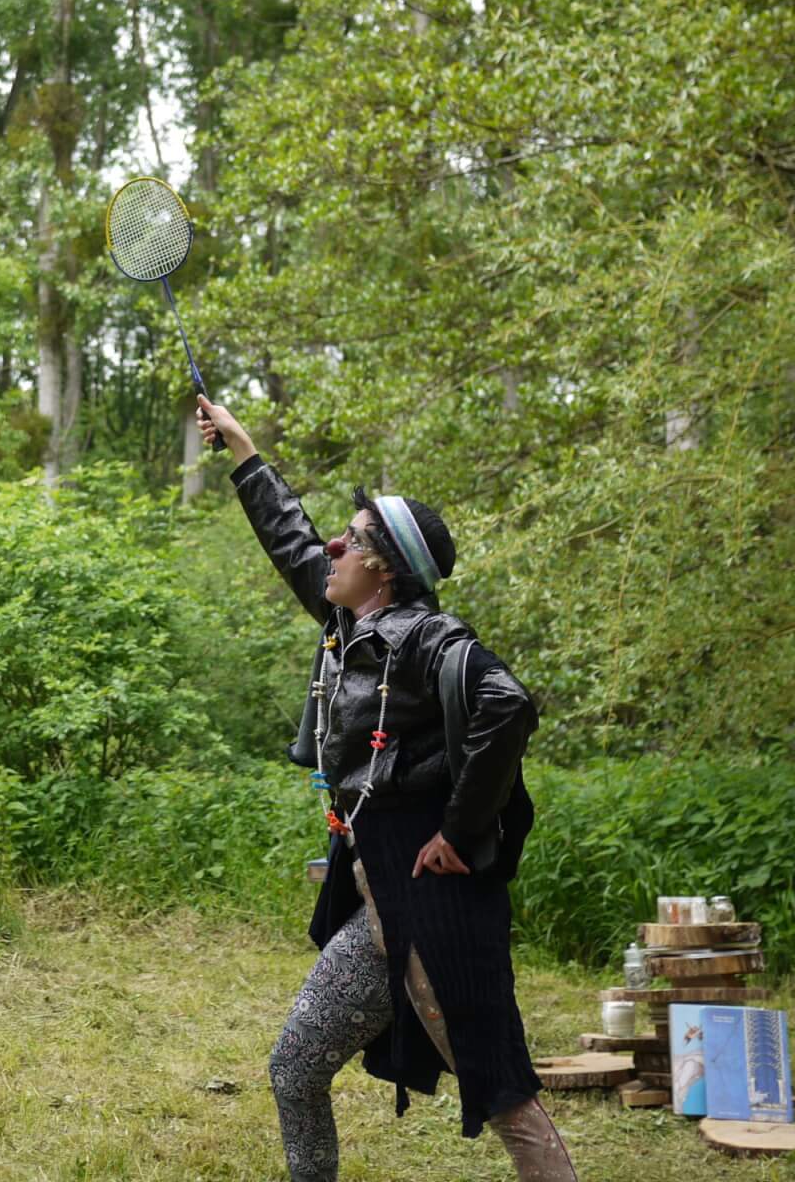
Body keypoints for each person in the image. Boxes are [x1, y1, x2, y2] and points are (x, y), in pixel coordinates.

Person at [195, 394, 576, 1182]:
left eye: (354, 536)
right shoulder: (347, 625)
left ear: (386, 567)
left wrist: (463, 831)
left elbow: (507, 707)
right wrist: (242, 450)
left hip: (435, 903)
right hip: (378, 902)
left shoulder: (429, 637)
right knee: (295, 1066)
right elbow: (292, 540)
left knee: (500, 1088)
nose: (334, 543)